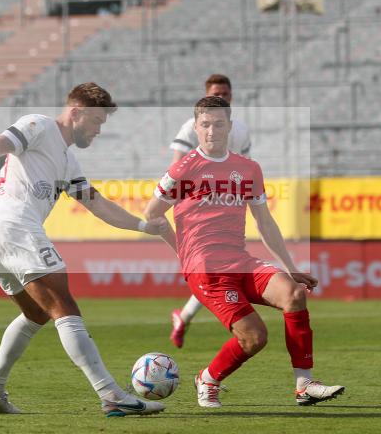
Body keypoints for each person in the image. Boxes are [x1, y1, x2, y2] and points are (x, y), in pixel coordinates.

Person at [0, 82, 170, 416]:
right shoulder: (40, 125)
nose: (99, 130)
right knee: (64, 306)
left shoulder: (67, 161)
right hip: (15, 225)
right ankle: (112, 395)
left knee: (36, 313)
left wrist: (144, 226)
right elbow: (1, 143)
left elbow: (98, 205)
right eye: (97, 121)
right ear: (76, 112)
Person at [144, 95, 345, 408]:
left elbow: (264, 221)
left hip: (241, 261)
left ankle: (304, 384)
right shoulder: (184, 169)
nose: (212, 130)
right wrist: (182, 252)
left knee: (294, 293)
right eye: (205, 124)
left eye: (219, 124)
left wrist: (290, 266)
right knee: (255, 337)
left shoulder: (248, 169)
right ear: (196, 128)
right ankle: (208, 378)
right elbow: (152, 215)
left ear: (230, 126)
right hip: (207, 270)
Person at [168, 74, 252, 348]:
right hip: (198, 212)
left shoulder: (240, 130)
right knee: (214, 267)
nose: (222, 97)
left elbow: (244, 168)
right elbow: (177, 167)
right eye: (217, 93)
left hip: (228, 209)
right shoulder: (192, 128)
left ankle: (184, 316)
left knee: (220, 268)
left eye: (226, 94)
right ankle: (234, 321)